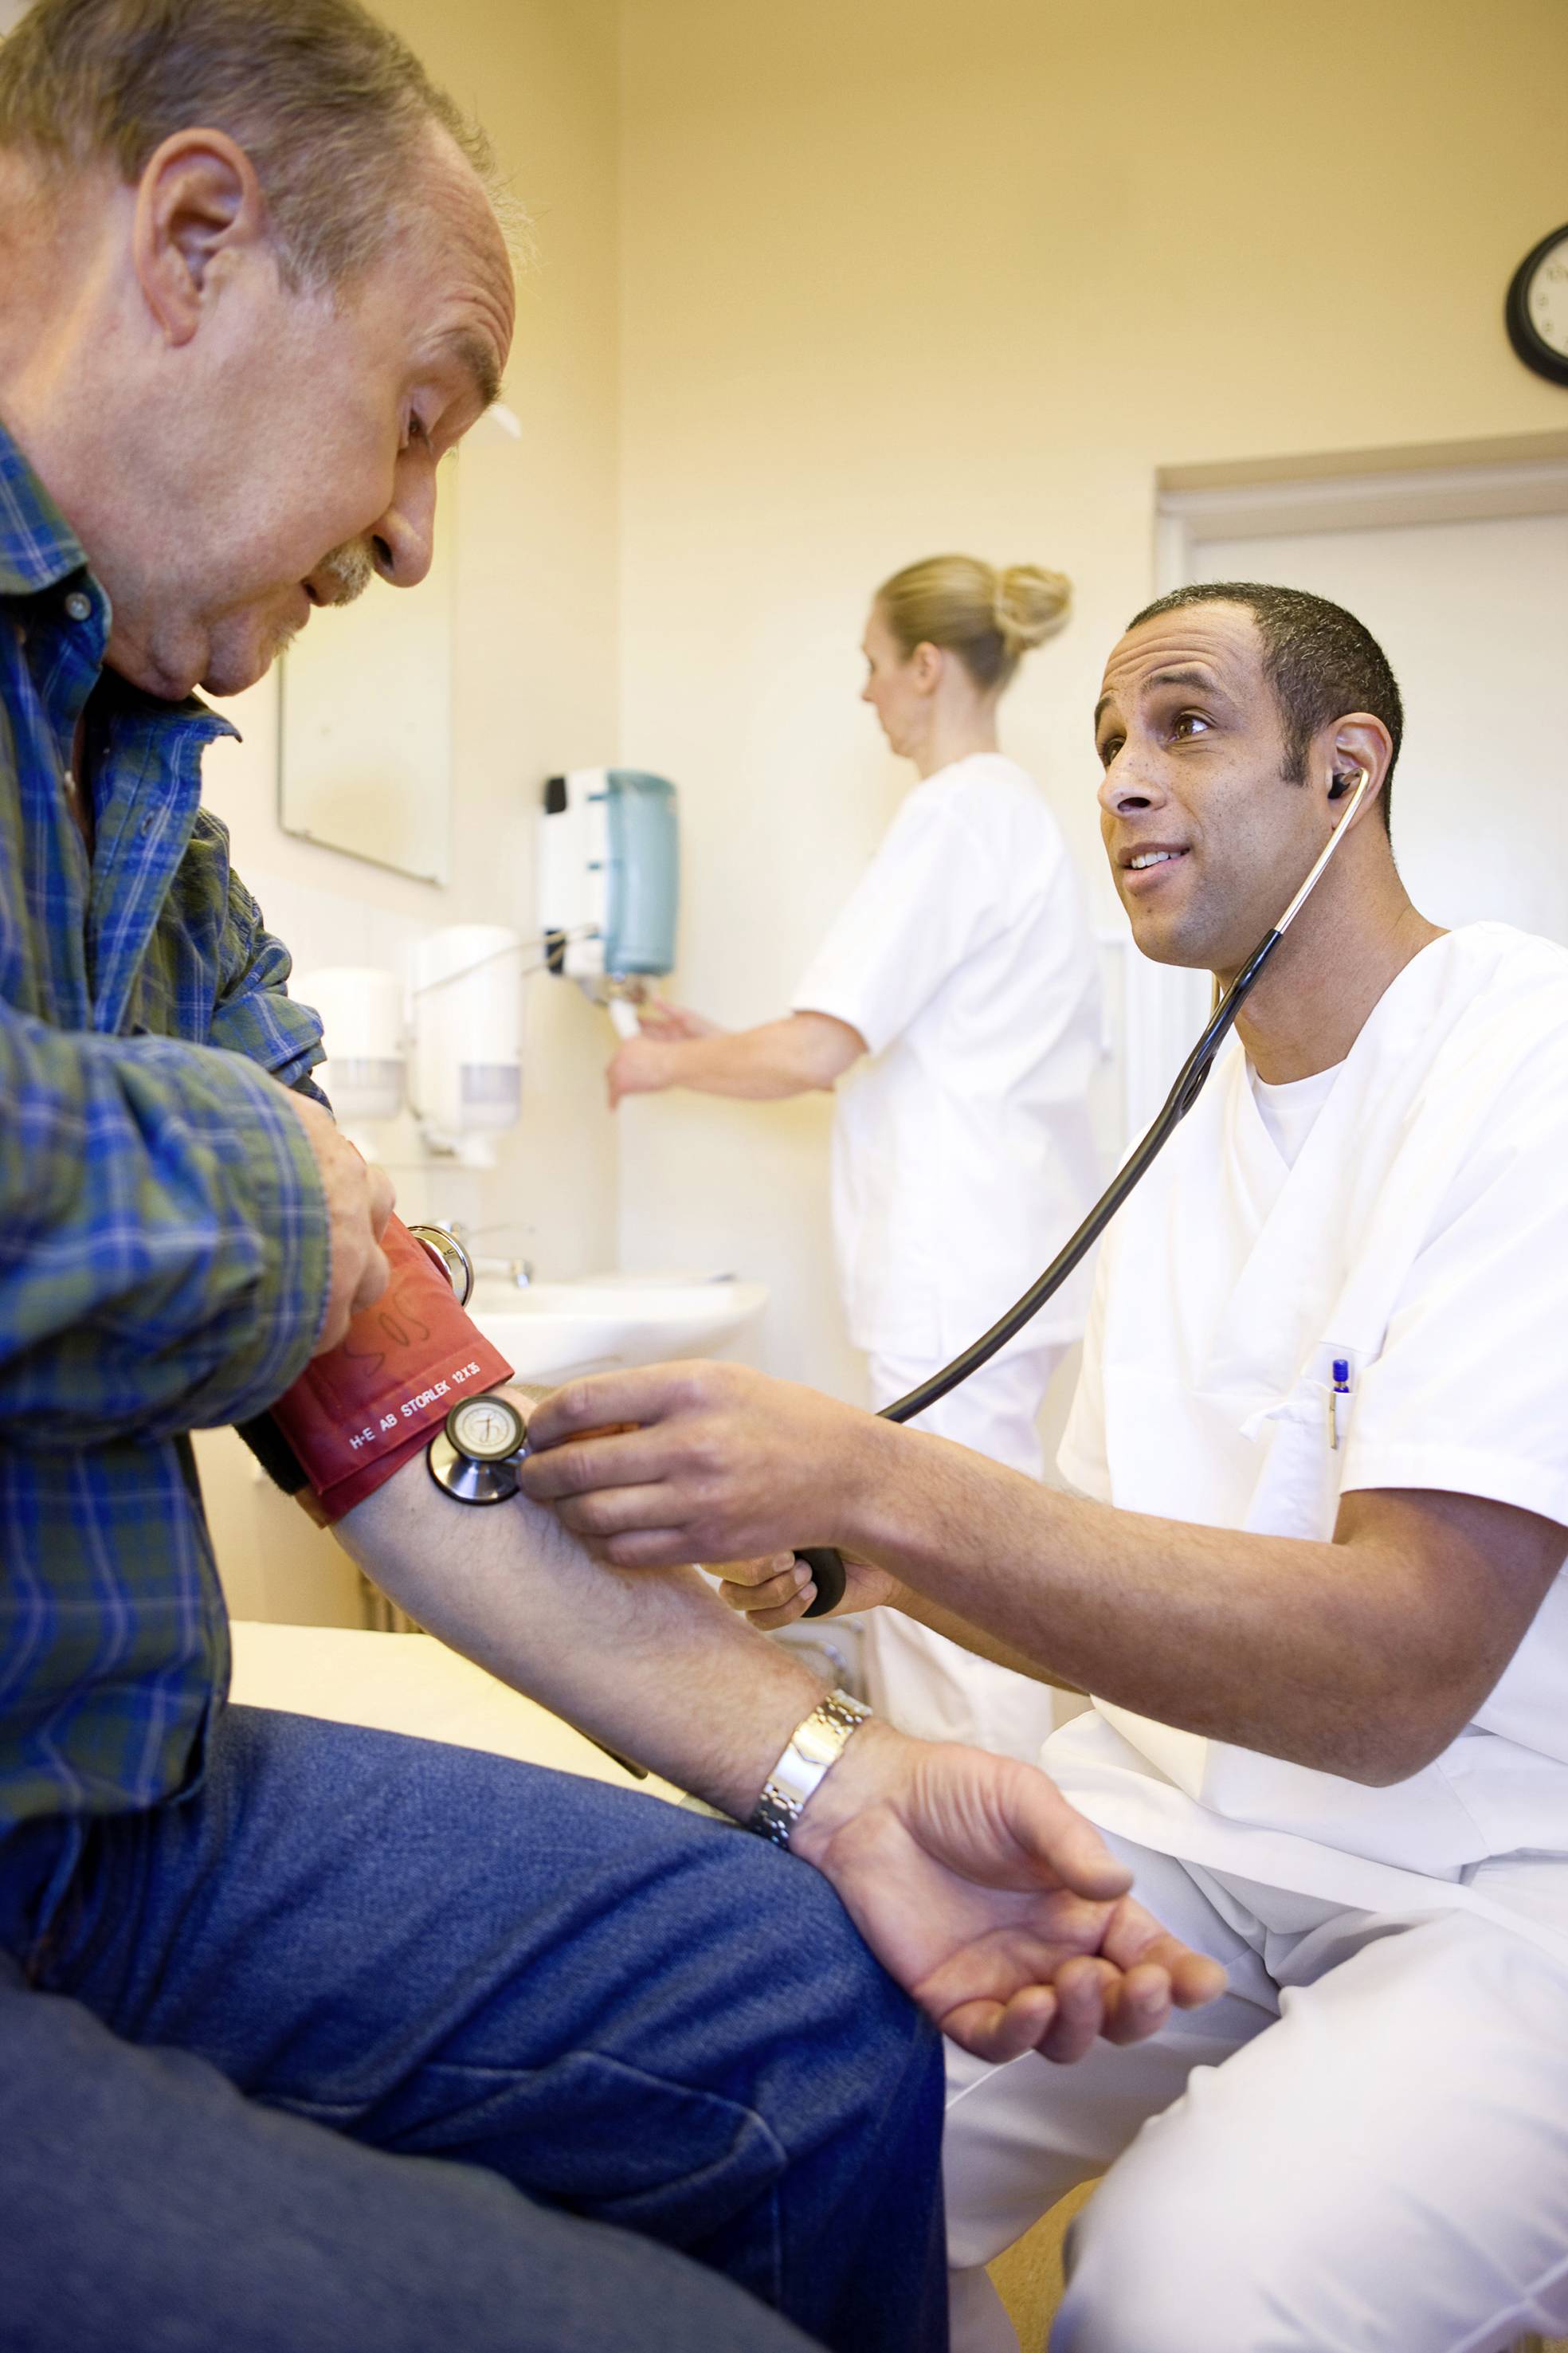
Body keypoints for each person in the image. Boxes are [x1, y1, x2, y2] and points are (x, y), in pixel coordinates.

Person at [0, 6, 1224, 2351]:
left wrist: (835, 1775)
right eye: (422, 418)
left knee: (816, 2017)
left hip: (117, 1807)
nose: (418, 534)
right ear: (194, 242)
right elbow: (318, 1238)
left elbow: (375, 1382)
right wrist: (280, 1190)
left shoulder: (139, 775)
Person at [521, 581, 1568, 2353]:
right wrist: (873, 1569)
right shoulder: (1191, 1126)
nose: (1124, 786)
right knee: (761, 2150)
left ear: (1346, 769)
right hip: (1176, 1831)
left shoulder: (1519, 1058)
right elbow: (1113, 1587)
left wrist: (878, 1487)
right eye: (1105, 747)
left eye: (1184, 725)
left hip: (1496, 1886)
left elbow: (1400, 1675)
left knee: (1175, 2291)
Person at [606, 555, 1102, 1759]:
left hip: (958, 1265)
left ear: (927, 667)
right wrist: (727, 1043)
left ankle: (982, 1862)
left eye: (874, 667)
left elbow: (821, 1048)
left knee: (945, 1583)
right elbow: (889, 1043)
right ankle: (990, 1836)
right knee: (972, 1566)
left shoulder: (954, 815)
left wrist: (660, 1066)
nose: (867, 695)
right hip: (999, 1254)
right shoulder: (1011, 817)